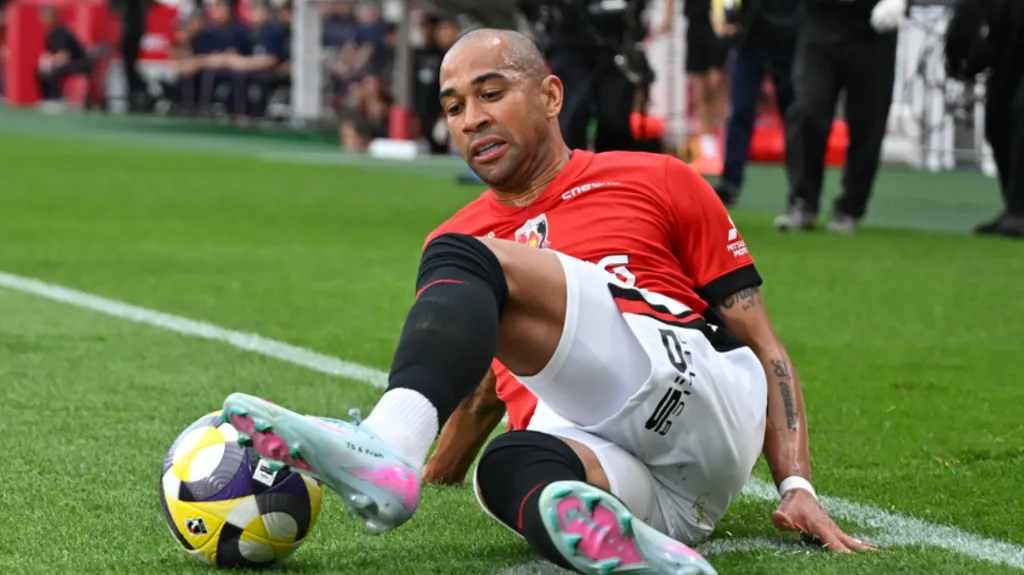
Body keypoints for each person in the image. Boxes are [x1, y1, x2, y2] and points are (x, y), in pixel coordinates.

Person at [220, 28, 875, 574]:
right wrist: (440, 472)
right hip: (660, 493)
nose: (472, 119)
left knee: (465, 255)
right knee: (506, 468)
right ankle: (641, 553)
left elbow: (763, 344)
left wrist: (797, 485)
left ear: (551, 95)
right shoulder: (465, 241)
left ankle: (387, 443)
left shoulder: (655, 179)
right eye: (453, 107)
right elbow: (482, 392)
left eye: (491, 93)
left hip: (692, 396)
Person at [776, 0, 906, 233]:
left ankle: (851, 207)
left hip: (872, 29)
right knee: (807, 110)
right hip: (821, 21)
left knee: (868, 121)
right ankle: (802, 201)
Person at [710, 0, 801, 205]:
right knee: (740, 110)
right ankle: (730, 182)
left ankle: (800, 189)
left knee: (792, 116)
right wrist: (727, 13)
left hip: (789, 37)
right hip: (750, 36)